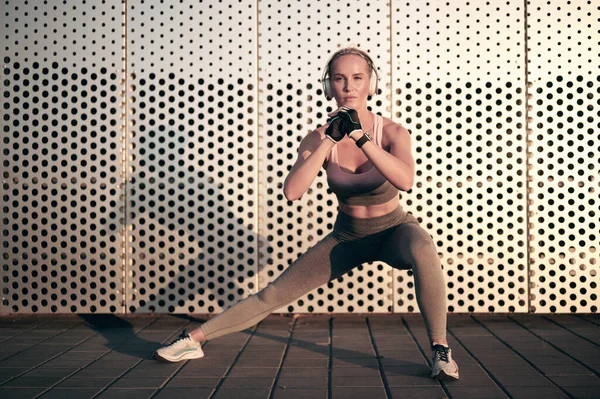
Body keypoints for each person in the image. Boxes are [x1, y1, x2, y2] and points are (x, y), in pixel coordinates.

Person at [154, 47, 459, 381]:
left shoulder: (393, 133)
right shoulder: (316, 138)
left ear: (371, 84)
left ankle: (440, 351)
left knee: (423, 250)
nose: (349, 87)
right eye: (340, 79)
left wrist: (359, 136)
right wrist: (329, 140)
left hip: (394, 229)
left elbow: (405, 181)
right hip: (348, 236)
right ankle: (193, 340)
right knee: (272, 294)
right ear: (328, 87)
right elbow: (292, 191)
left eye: (358, 78)